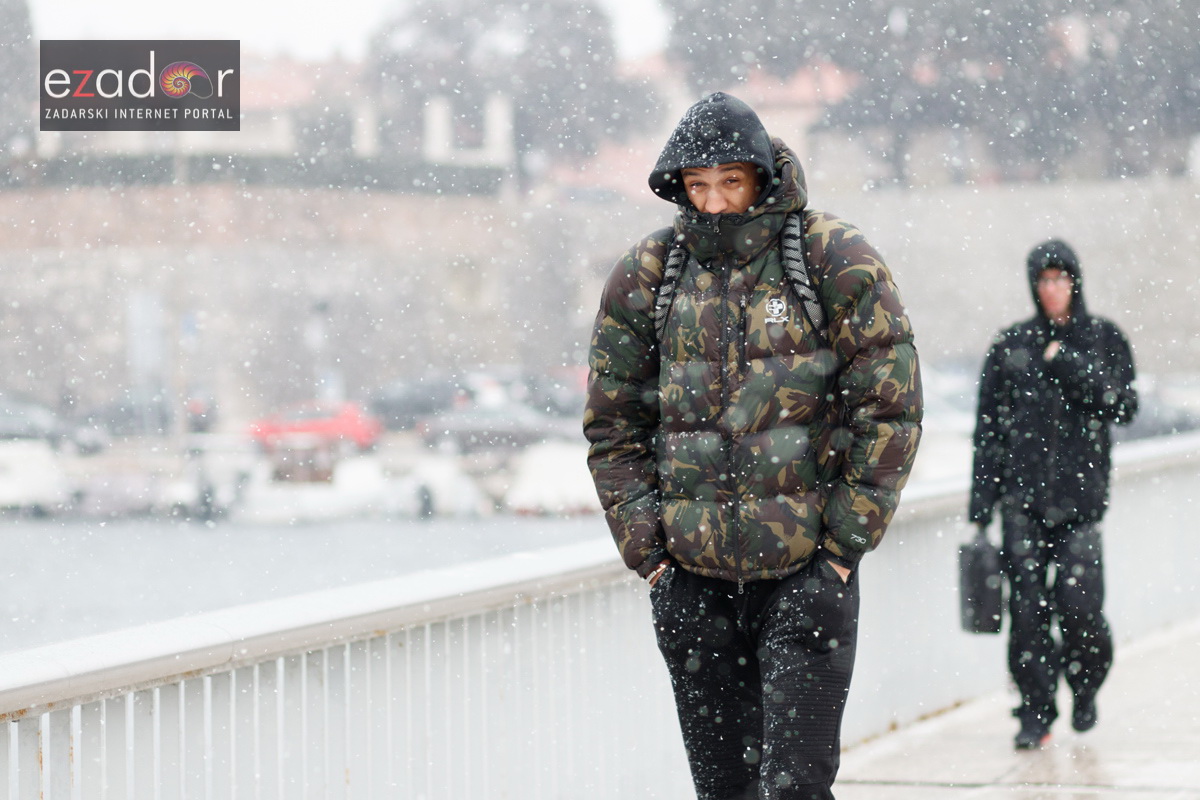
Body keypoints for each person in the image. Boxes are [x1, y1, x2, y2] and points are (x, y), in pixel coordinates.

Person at [583, 91, 922, 799]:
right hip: (692, 586)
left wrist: (838, 553)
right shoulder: (647, 275)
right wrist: (652, 562)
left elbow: (889, 410)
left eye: (729, 183)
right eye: (697, 186)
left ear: (763, 177)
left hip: (805, 579)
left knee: (793, 787)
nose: (712, 204)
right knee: (725, 791)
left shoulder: (833, 257)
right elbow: (613, 426)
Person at [969, 239, 1138, 751]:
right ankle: (1035, 713)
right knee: (1027, 615)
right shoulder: (1009, 346)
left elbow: (1122, 405)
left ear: (1075, 282)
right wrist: (980, 510)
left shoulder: (1103, 338)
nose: (1052, 290)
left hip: (1081, 506)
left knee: (1082, 610)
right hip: (1021, 505)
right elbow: (988, 432)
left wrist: (1066, 361)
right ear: (1033, 285)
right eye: (1043, 280)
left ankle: (1084, 689)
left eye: (1060, 279)